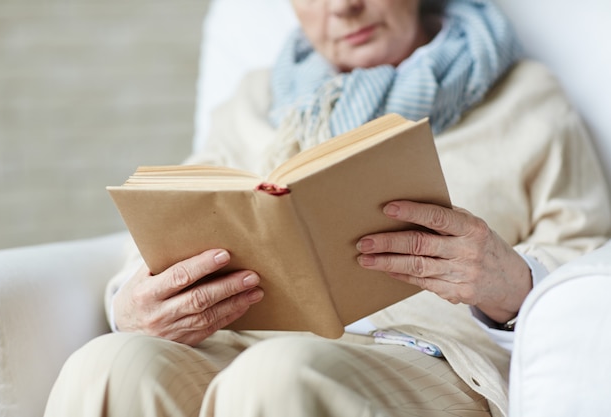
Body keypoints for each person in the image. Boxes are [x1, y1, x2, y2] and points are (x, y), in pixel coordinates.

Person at [44, 0, 611, 416]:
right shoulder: (257, 98)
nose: (344, 7)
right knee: (107, 363)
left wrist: (505, 279)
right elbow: (158, 238)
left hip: (428, 356)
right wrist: (135, 305)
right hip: (245, 342)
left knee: (277, 379)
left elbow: (588, 269)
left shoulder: (526, 97)